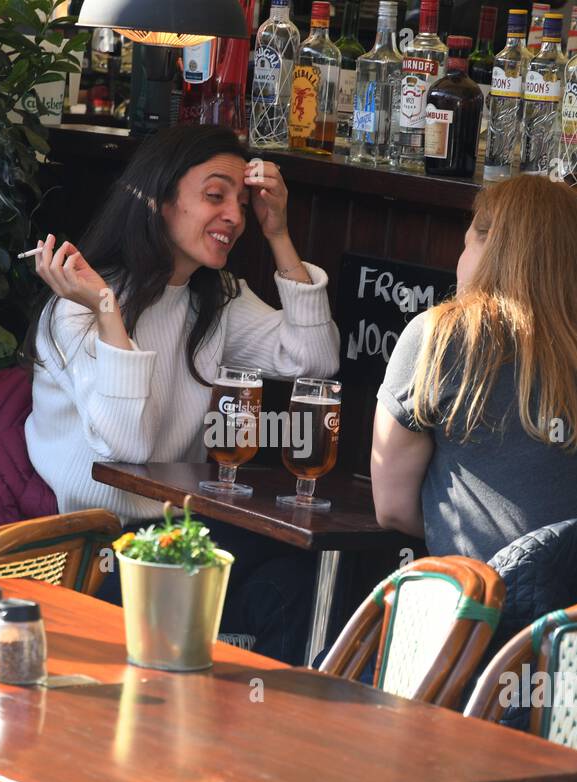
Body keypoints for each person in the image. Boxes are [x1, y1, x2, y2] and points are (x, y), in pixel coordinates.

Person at [23, 124, 340, 662]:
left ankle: (261, 732)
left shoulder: (217, 302)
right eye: (215, 196)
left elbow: (313, 360)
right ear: (157, 200)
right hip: (90, 553)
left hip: (179, 536)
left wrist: (280, 234)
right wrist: (107, 310)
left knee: (299, 574)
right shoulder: (76, 306)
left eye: (242, 203)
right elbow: (128, 447)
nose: (235, 217)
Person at [371, 175, 577, 560]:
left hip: (516, 609)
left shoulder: (440, 335)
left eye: (466, 243)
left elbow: (393, 510)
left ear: (489, 247)